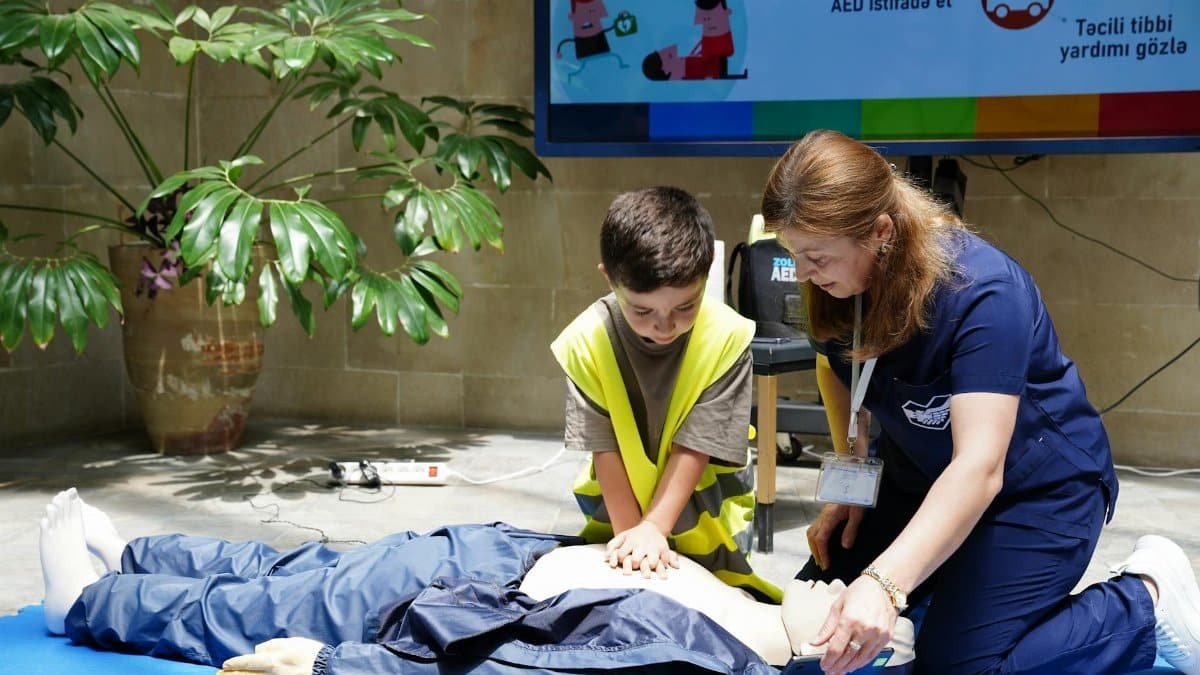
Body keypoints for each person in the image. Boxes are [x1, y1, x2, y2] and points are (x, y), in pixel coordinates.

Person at [759, 129, 1200, 675]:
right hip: (921, 476)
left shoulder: (982, 291)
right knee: (810, 633)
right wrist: (855, 477)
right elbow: (837, 368)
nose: (800, 272)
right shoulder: (837, 285)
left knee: (958, 665)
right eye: (794, 253)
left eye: (814, 256)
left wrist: (885, 582)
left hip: (1038, 492)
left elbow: (981, 466)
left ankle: (1145, 602)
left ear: (879, 232)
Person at [38, 488, 917, 673]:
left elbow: (520, 666)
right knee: (296, 570)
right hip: (487, 555)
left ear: (828, 645)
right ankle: (133, 557)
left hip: (461, 593)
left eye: (843, 599)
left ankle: (83, 603)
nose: (838, 584)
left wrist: (329, 669)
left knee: (263, 609)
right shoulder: (748, 615)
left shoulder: (697, 656)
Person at [550, 186, 780, 602]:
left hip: (705, 510)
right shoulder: (585, 340)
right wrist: (632, 538)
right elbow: (605, 449)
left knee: (712, 605)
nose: (665, 325)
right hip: (615, 506)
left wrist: (654, 528)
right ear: (609, 277)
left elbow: (697, 446)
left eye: (684, 307)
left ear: (706, 275)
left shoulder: (725, 337)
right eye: (642, 311)